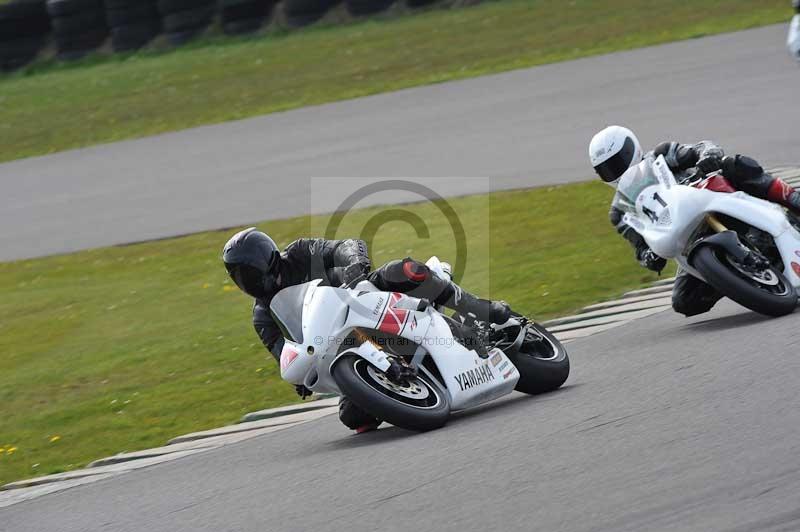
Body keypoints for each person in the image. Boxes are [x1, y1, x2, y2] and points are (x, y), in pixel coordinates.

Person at [222, 228, 511, 432]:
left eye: (249, 272)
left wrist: (354, 265)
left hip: (364, 299)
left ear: (267, 259)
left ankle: (477, 307)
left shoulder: (299, 253)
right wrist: (298, 379)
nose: (246, 281)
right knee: (354, 418)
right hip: (339, 348)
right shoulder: (263, 316)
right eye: (238, 277)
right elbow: (282, 351)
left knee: (403, 270)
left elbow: (346, 245)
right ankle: (413, 388)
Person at [589, 125, 800, 317]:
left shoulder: (661, 155)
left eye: (616, 162)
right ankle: (738, 278)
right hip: (685, 239)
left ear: (630, 151)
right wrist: (649, 257)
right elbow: (640, 247)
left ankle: (792, 198)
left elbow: (702, 147)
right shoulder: (620, 211)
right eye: (607, 169)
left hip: (711, 197)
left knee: (734, 165)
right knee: (685, 301)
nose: (615, 171)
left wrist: (707, 156)